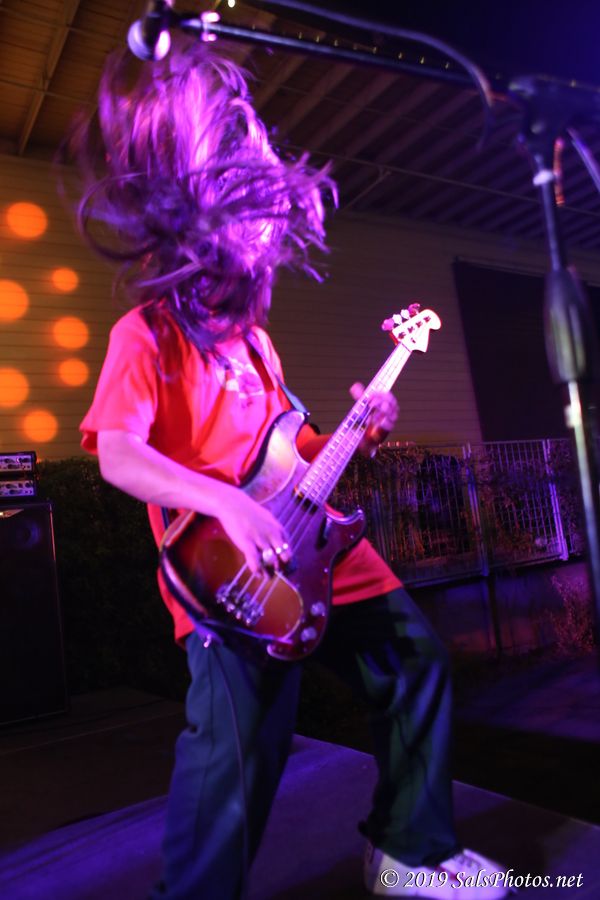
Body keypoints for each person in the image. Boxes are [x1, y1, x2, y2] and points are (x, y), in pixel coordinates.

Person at [69, 39, 510, 900]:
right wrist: (225, 506)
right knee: (239, 764)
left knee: (415, 658)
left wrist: (358, 433)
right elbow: (118, 453)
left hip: (316, 545)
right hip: (228, 570)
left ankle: (410, 853)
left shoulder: (258, 344)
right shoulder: (145, 334)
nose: (261, 266)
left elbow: (292, 450)